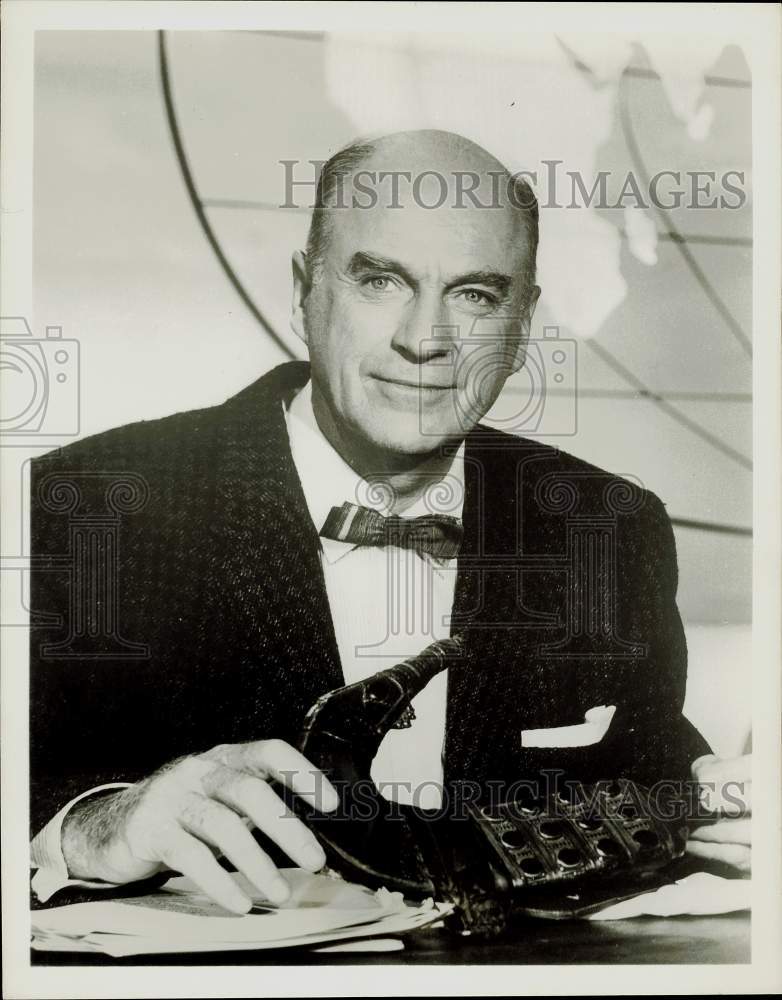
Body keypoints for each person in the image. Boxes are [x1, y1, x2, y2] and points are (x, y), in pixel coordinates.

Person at [29, 130, 751, 914]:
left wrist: (717, 799)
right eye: (380, 281)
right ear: (304, 290)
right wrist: (92, 827)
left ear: (523, 323)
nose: (423, 340)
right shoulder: (83, 502)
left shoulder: (608, 525)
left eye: (476, 295)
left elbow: (648, 769)